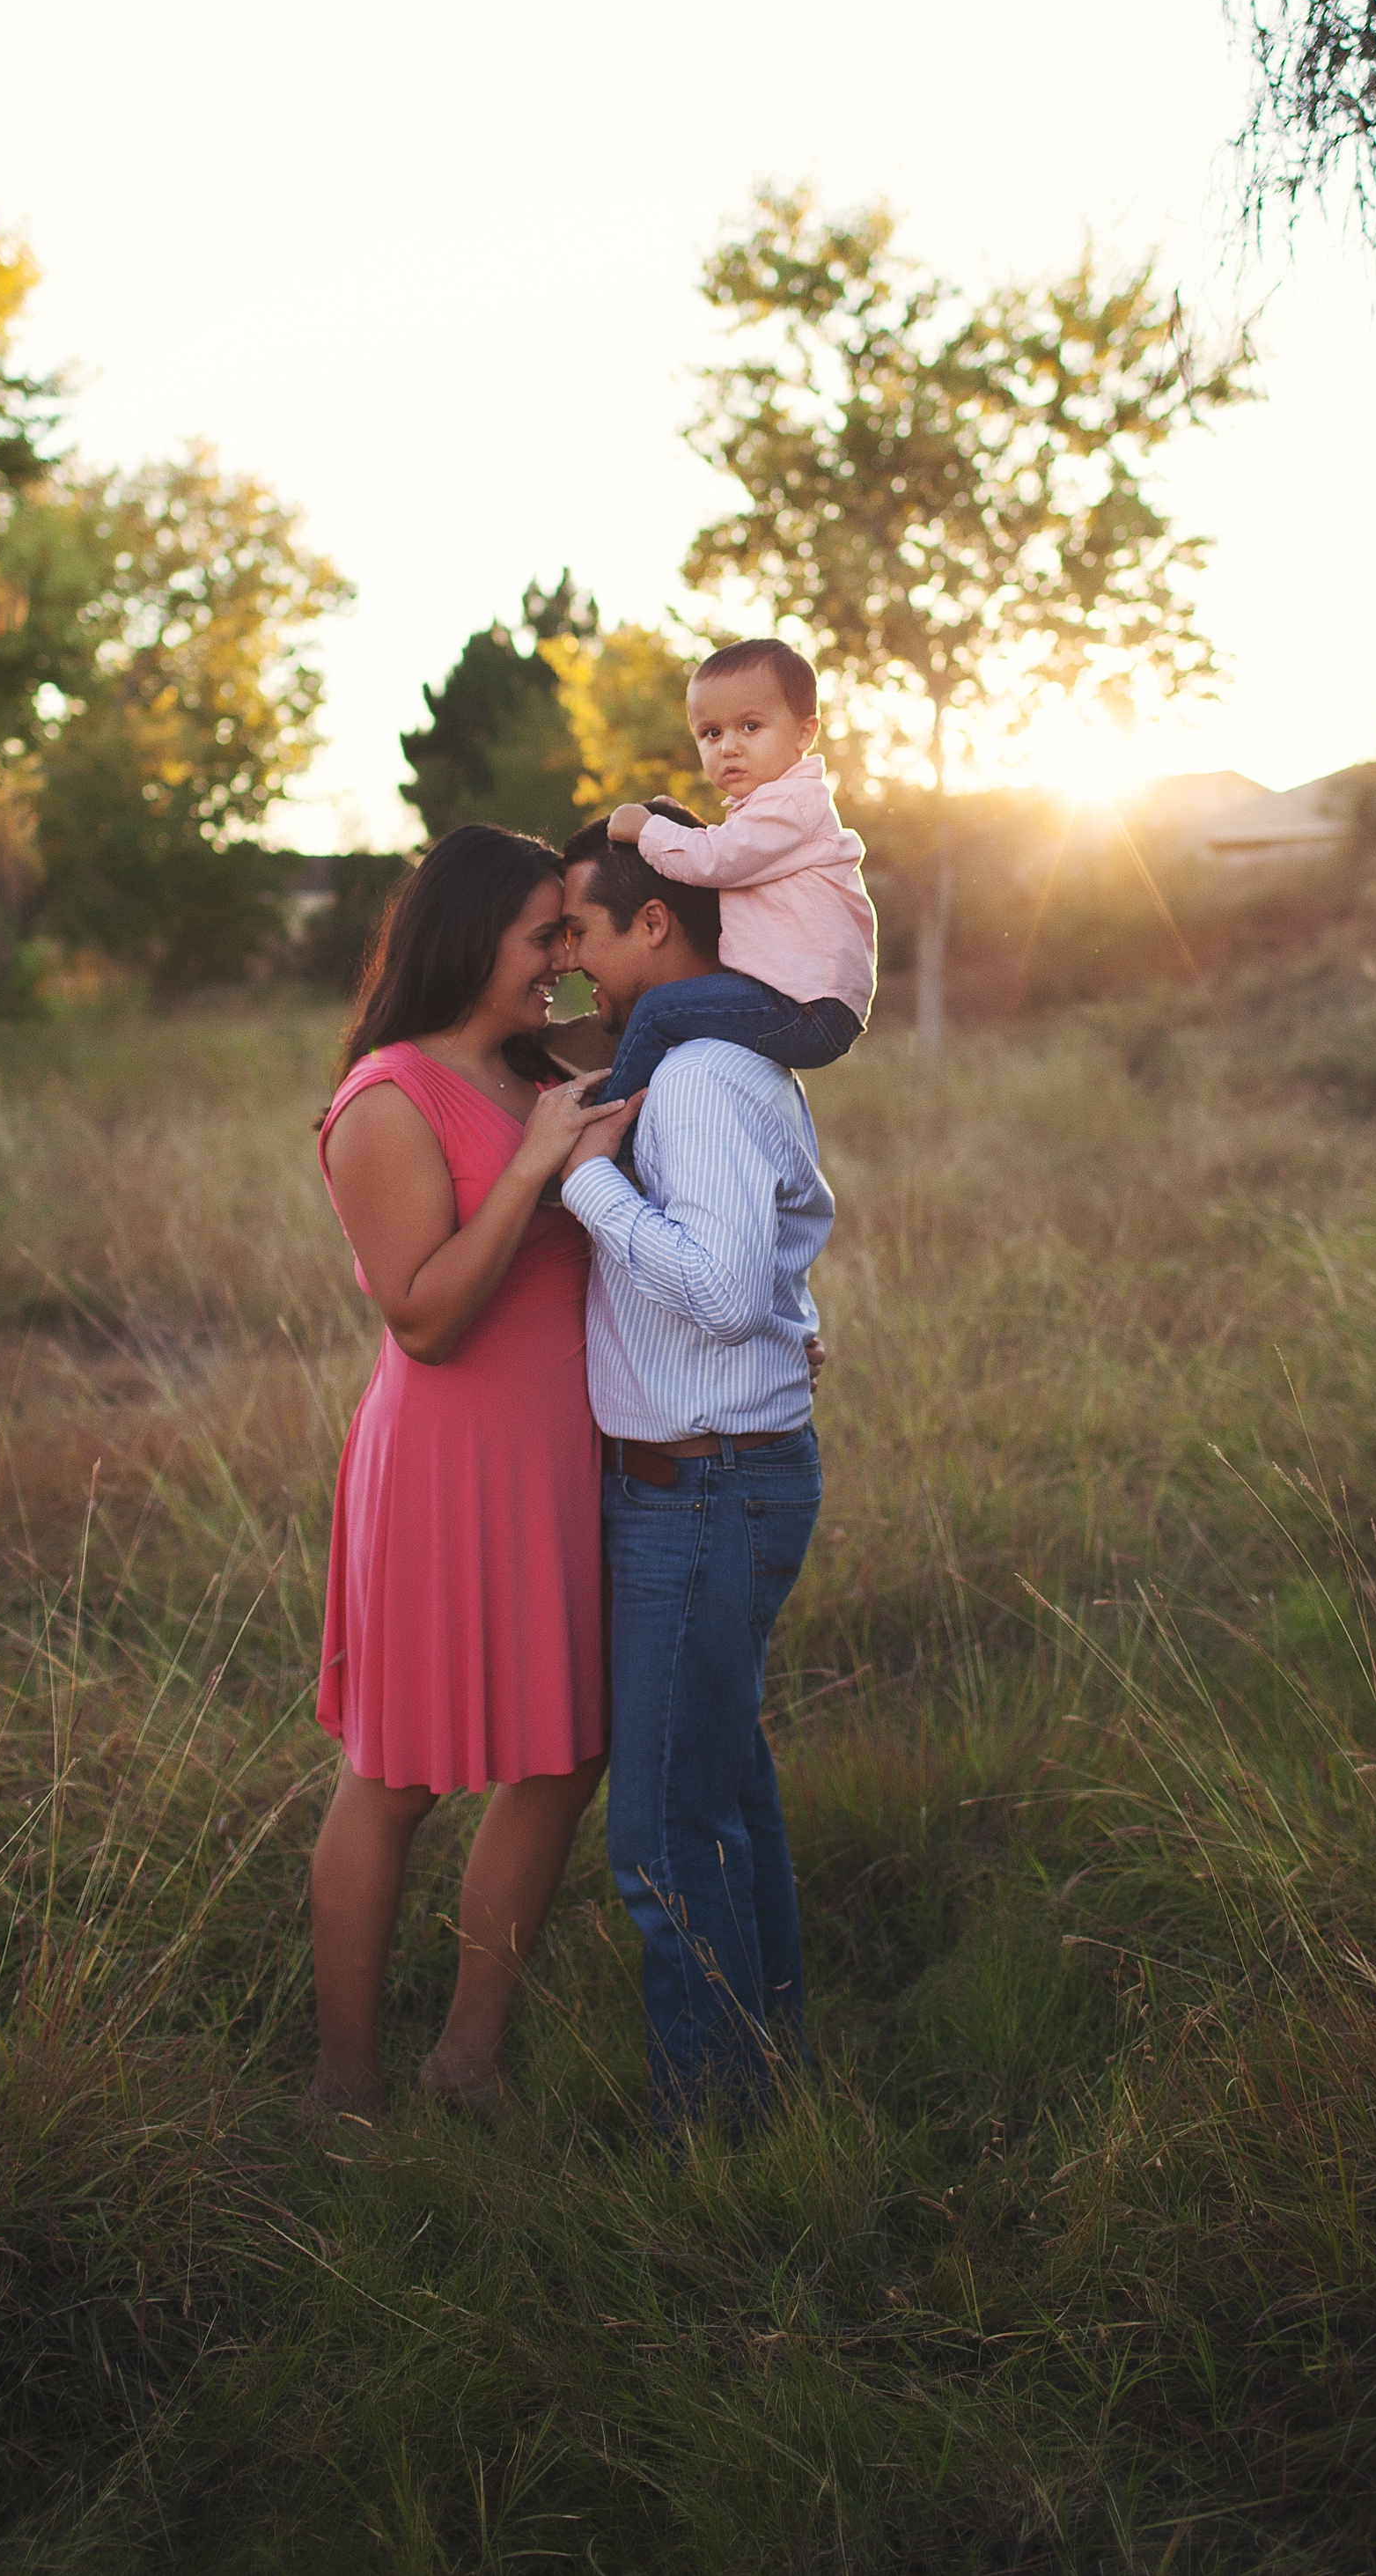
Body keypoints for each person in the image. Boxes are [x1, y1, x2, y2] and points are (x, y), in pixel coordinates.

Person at [307, 824, 636, 2124]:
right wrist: (535, 1171)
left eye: (571, 931)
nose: (563, 958)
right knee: (394, 1774)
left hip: (562, 1462)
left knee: (560, 1756)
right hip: (445, 1468)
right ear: (467, 939)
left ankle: (467, 2053)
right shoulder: (387, 1096)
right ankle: (343, 2078)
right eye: (541, 936)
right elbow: (426, 1318)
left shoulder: (543, 1068)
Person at [556, 811, 835, 2130]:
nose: (572, 964)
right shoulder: (708, 1062)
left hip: (705, 1488)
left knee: (664, 1835)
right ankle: (768, 2076)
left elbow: (721, 1291)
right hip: (718, 1476)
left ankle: (715, 2141)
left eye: (583, 933)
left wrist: (587, 1189)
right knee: (721, 1791)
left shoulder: (708, 1074)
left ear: (654, 920)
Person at [590, 636, 876, 1108]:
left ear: (805, 734)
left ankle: (608, 1129)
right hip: (798, 997)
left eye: (750, 726)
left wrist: (647, 831)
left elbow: (716, 859)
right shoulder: (767, 811)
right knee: (676, 1012)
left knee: (658, 1010)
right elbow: (731, 851)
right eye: (711, 733)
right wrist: (672, 822)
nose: (729, 748)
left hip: (807, 1006)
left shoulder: (793, 806)